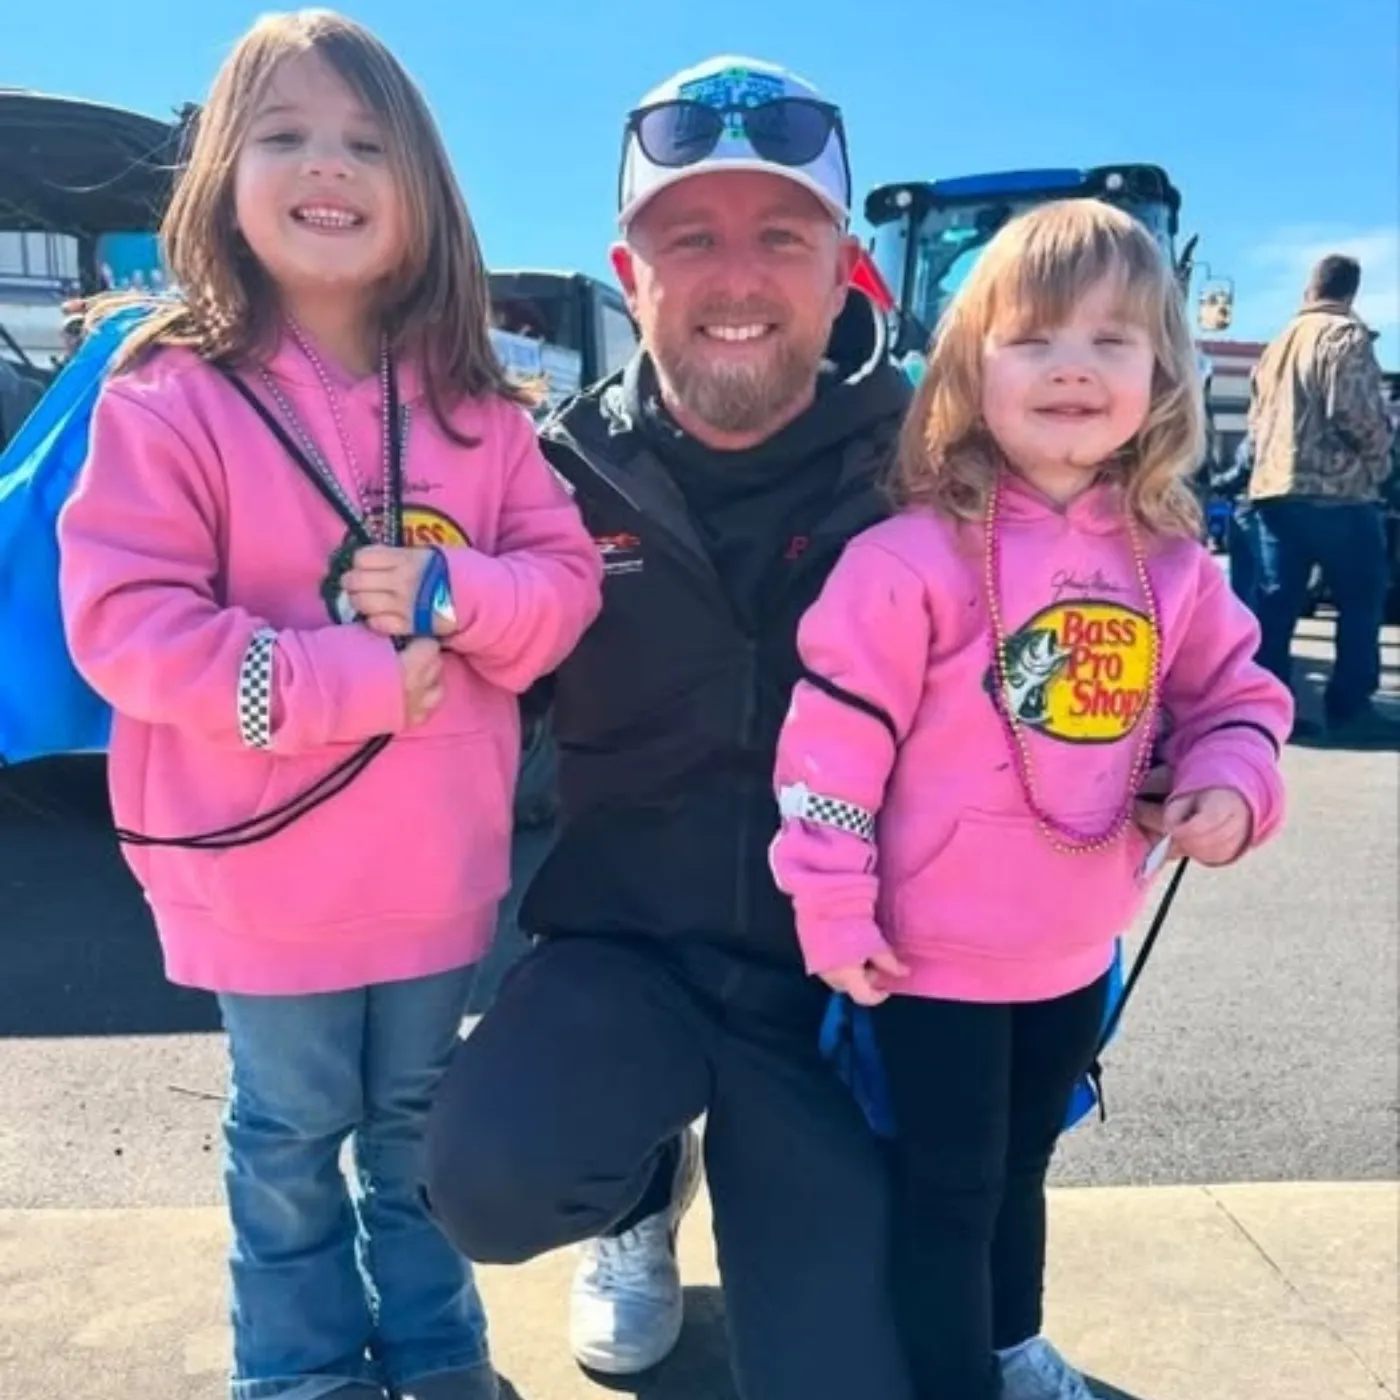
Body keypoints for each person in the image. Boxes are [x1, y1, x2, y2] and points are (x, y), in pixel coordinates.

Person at [56, 12, 602, 1400]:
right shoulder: (168, 397)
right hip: (257, 870)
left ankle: (436, 1354)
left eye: (365, 140)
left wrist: (451, 596)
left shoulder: (486, 407)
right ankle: (298, 1375)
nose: (328, 166)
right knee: (291, 1134)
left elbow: (565, 590)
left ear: (421, 184)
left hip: (432, 869)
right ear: (222, 176)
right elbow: (125, 628)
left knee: (416, 1124)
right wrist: (339, 683)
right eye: (286, 134)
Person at [424, 55, 920, 1400]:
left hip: (847, 985)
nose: (737, 277)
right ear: (627, 270)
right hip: (623, 955)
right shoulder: (546, 482)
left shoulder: (940, 467)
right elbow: (449, 703)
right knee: (487, 1178)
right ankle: (642, 1187)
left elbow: (1109, 607)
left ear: (845, 267)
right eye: (687, 237)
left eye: (782, 235)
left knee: (848, 1376)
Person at [768, 199, 1293, 1400]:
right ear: (969, 369)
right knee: (947, 1186)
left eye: (1111, 339)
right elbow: (827, 755)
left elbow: (1241, 698)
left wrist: (1228, 783)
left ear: (1159, 372)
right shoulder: (905, 561)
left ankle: (1009, 1348)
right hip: (926, 960)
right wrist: (832, 912)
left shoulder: (1172, 563)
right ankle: (951, 1377)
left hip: (1070, 953)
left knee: (1020, 1169)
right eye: (1034, 337)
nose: (1071, 364)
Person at [1247, 253, 1396, 744]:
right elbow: (1355, 411)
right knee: (1360, 601)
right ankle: (1351, 707)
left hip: (1274, 491)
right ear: (1350, 293)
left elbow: (1255, 422)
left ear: (1308, 290)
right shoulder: (1345, 336)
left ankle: (1268, 712)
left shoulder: (1275, 346)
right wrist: (1379, 461)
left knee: (1276, 605)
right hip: (1338, 494)